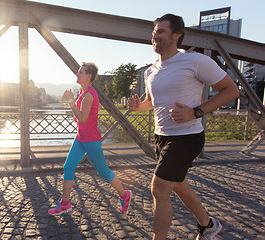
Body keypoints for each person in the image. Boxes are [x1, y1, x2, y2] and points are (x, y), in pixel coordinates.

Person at [128, 14, 239, 240]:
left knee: (159, 188)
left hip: (187, 137)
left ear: (176, 35)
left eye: (160, 31)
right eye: (153, 33)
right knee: (178, 185)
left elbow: (231, 90)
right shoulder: (151, 71)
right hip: (161, 138)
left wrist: (196, 112)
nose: (154, 36)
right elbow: (152, 102)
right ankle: (207, 225)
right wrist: (139, 106)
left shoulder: (195, 61)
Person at [48, 62, 132, 216]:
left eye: (80, 72)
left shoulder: (88, 95)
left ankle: (124, 195)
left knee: (104, 172)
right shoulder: (83, 92)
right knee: (68, 167)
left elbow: (84, 119)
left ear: (89, 76)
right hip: (80, 139)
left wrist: (70, 101)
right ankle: (65, 204)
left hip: (91, 141)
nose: (77, 74)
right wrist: (78, 114)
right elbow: (87, 114)